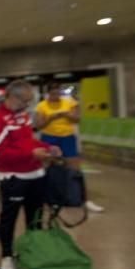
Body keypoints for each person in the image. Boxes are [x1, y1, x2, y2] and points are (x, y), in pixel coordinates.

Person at [0, 80, 62, 269]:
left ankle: (32, 250)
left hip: (36, 174)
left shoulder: (22, 115)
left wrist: (47, 148)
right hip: (14, 178)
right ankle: (6, 256)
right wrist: (31, 155)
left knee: (35, 218)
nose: (28, 105)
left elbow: (28, 141)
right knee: (9, 219)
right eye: (26, 101)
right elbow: (0, 154)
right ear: (13, 97)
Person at [35, 82, 104, 213]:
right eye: (53, 93)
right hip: (49, 138)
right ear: (48, 93)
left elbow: (77, 119)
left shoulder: (69, 102)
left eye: (58, 93)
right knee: (49, 168)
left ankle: (85, 199)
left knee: (75, 168)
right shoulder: (41, 106)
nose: (56, 96)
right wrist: (51, 117)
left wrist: (65, 114)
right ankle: (50, 198)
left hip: (67, 137)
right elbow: (39, 125)